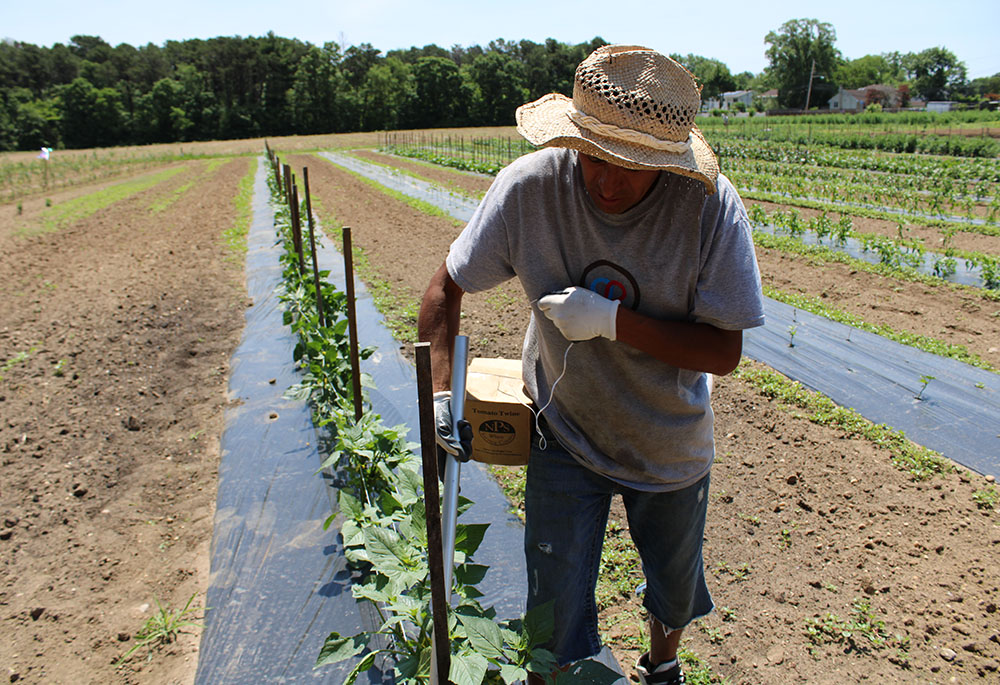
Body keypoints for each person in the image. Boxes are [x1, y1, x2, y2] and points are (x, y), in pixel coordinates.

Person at [418, 45, 765, 685]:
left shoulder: (708, 208)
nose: (605, 181)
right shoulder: (532, 188)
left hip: (667, 440)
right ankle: (556, 673)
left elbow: (725, 352)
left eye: (628, 168)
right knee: (552, 602)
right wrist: (440, 393)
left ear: (666, 161)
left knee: (672, 585)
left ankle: (661, 665)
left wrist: (613, 322)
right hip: (565, 429)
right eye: (592, 156)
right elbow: (445, 288)